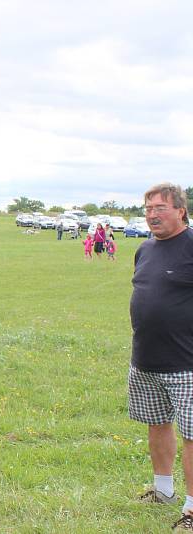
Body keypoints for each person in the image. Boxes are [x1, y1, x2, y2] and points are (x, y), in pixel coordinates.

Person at [127, 183, 193, 531]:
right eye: (148, 208)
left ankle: (192, 510)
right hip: (147, 360)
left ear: (181, 211)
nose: (152, 214)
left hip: (187, 364)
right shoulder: (145, 249)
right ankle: (163, 490)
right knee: (157, 423)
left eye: (160, 208)